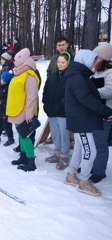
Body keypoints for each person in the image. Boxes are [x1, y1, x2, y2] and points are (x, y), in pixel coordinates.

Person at [64, 49, 112, 196]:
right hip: (81, 120)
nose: (95, 64)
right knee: (91, 151)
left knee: (80, 148)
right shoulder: (78, 77)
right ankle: (84, 182)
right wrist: (106, 111)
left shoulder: (80, 75)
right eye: (93, 61)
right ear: (85, 61)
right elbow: (86, 99)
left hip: (82, 118)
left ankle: (71, 174)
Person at [6, 48, 40, 172]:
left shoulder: (29, 75)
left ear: (24, 61)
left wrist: (29, 113)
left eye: (16, 60)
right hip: (16, 110)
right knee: (21, 136)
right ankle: (24, 156)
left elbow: (32, 96)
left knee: (25, 137)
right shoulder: (19, 73)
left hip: (24, 112)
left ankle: (31, 161)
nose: (14, 62)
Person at [42, 52, 71, 170]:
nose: (60, 64)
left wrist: (62, 104)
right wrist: (45, 103)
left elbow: (69, 94)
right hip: (51, 110)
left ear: (68, 63)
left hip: (63, 112)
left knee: (64, 134)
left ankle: (64, 156)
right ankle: (57, 153)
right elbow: (45, 90)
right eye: (58, 62)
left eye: (63, 62)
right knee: (55, 134)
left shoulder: (70, 76)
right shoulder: (52, 76)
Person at [90, 43, 112, 183]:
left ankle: (99, 172)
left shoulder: (110, 72)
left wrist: (91, 92)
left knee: (101, 145)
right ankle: (93, 166)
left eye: (97, 56)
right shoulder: (95, 71)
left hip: (105, 114)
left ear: (103, 58)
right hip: (95, 112)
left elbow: (109, 90)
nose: (94, 59)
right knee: (94, 143)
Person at [0, 71, 14, 145]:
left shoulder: (9, 88)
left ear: (6, 81)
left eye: (2, 80)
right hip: (0, 108)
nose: (1, 80)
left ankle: (10, 138)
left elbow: (9, 99)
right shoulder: (1, 85)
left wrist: (1, 101)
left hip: (6, 108)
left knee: (6, 124)